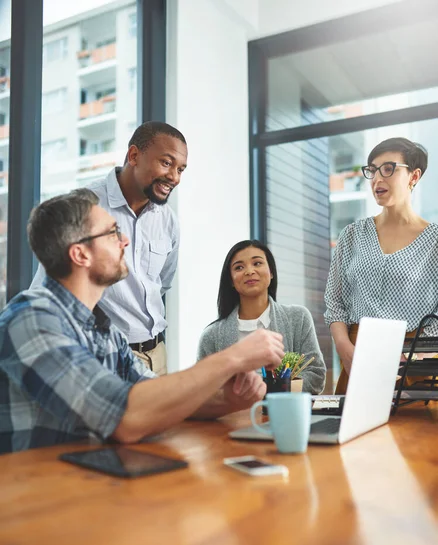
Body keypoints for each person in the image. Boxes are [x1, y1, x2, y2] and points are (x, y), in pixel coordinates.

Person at [0, 190, 285, 454]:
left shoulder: (105, 330)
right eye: (112, 233)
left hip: (90, 483)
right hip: (36, 497)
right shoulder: (32, 319)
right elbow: (126, 416)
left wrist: (230, 400)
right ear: (80, 253)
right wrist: (233, 357)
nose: (125, 241)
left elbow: (155, 398)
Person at [32, 121, 187, 376]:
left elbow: (162, 284)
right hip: (102, 356)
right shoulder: (87, 206)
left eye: (181, 169)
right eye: (167, 163)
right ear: (134, 155)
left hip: (157, 354)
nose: (174, 177)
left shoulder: (168, 220)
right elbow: (49, 287)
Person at [324, 137, 438, 394]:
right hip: (357, 359)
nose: (377, 178)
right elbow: (335, 303)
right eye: (372, 171)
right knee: (352, 433)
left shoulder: (436, 242)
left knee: (413, 434)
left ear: (413, 176)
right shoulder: (352, 235)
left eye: (388, 169)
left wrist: (412, 355)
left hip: (416, 369)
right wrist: (345, 350)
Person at [197, 240, 326, 394]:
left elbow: (316, 376)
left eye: (257, 263)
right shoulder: (211, 336)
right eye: (239, 267)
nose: (249, 271)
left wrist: (270, 391)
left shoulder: (298, 318)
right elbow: (202, 389)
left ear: (271, 272)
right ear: (231, 280)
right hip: (232, 417)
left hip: (284, 414)